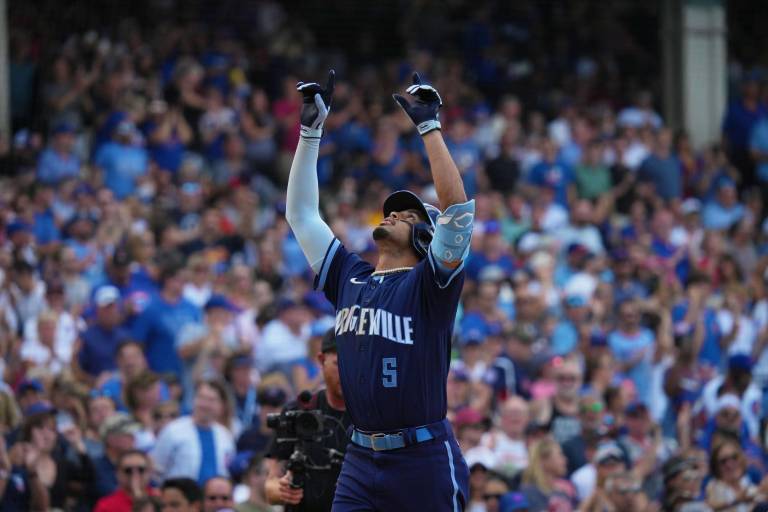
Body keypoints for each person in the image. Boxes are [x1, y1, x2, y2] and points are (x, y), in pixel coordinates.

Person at [285, 71, 474, 510]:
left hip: (421, 459)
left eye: (408, 216)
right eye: (393, 211)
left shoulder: (431, 285)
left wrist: (429, 127)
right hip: (360, 456)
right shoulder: (350, 276)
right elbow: (301, 214)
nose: (392, 215)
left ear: (427, 238)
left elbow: (457, 212)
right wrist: (310, 133)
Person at [264, 328, 350, 510]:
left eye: (352, 364)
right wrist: (282, 490)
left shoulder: (371, 415)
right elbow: (271, 485)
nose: (345, 372)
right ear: (321, 360)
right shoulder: (298, 411)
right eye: (337, 364)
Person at [151, 380, 235, 484]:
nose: (205, 404)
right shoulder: (173, 431)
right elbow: (157, 469)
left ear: (221, 405)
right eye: (201, 398)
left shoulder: (225, 435)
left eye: (211, 400)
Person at [705, 438, 767, 512]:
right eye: (723, 461)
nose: (730, 464)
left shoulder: (747, 481)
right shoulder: (714, 486)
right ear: (716, 466)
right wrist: (737, 500)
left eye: (734, 457)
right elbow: (711, 505)